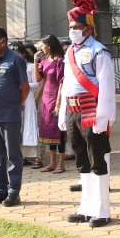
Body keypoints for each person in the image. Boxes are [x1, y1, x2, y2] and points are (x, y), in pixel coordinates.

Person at [60, 0, 116, 228]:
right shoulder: (70, 52)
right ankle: (86, 207)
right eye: (71, 26)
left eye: (77, 27)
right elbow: (66, 84)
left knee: (97, 160)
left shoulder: (98, 51)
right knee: (82, 161)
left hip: (92, 109)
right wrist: (63, 112)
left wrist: (103, 118)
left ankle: (103, 211)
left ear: (88, 28)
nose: (73, 31)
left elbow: (106, 88)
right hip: (73, 110)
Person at [0, 29, 31, 205]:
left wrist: (16, 105)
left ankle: (13, 192)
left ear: (3, 41)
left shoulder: (15, 59)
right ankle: (0, 190)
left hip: (9, 114)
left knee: (13, 155)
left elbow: (24, 87)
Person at [36, 34, 67, 174]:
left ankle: (61, 163)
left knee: (58, 131)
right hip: (46, 99)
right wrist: (35, 61)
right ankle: (52, 162)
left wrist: (59, 102)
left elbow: (62, 83)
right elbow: (38, 78)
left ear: (49, 46)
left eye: (43, 45)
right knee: (48, 131)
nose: (42, 48)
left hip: (56, 97)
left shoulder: (60, 61)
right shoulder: (44, 60)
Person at [12, 42, 42, 168]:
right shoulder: (10, 66)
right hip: (14, 100)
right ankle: (22, 157)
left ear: (23, 54)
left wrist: (23, 86)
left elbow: (36, 85)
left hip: (28, 99)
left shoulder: (30, 67)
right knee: (17, 128)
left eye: (17, 53)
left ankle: (35, 157)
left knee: (29, 125)